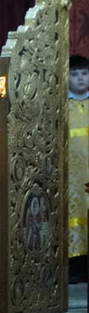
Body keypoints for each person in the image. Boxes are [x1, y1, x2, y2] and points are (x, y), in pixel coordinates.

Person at [68, 54, 89, 282]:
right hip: (72, 175)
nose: (80, 79)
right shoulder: (63, 107)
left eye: (84, 73)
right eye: (74, 74)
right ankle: (74, 268)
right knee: (73, 216)